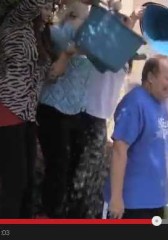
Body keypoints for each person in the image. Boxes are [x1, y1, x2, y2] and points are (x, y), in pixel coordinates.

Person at [67, 6, 145, 219]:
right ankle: (81, 216)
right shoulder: (103, 53)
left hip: (98, 118)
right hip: (89, 117)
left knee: (89, 173)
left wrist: (134, 18)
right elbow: (117, 33)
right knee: (86, 175)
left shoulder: (118, 55)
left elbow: (125, 34)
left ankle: (83, 214)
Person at [104, 55, 168, 219]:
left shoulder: (162, 103)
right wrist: (116, 198)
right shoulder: (134, 103)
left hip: (156, 201)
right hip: (132, 203)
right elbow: (119, 150)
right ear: (151, 77)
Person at [0, 0, 55, 218]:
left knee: (27, 180)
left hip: (27, 114)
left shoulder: (38, 32)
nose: (50, 10)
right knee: (14, 181)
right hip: (7, 110)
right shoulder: (15, 20)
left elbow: (47, 74)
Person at [37, 1, 90, 218]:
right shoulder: (58, 31)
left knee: (74, 166)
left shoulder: (88, 35)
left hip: (77, 110)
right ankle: (50, 214)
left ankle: (64, 214)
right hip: (53, 108)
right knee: (57, 167)